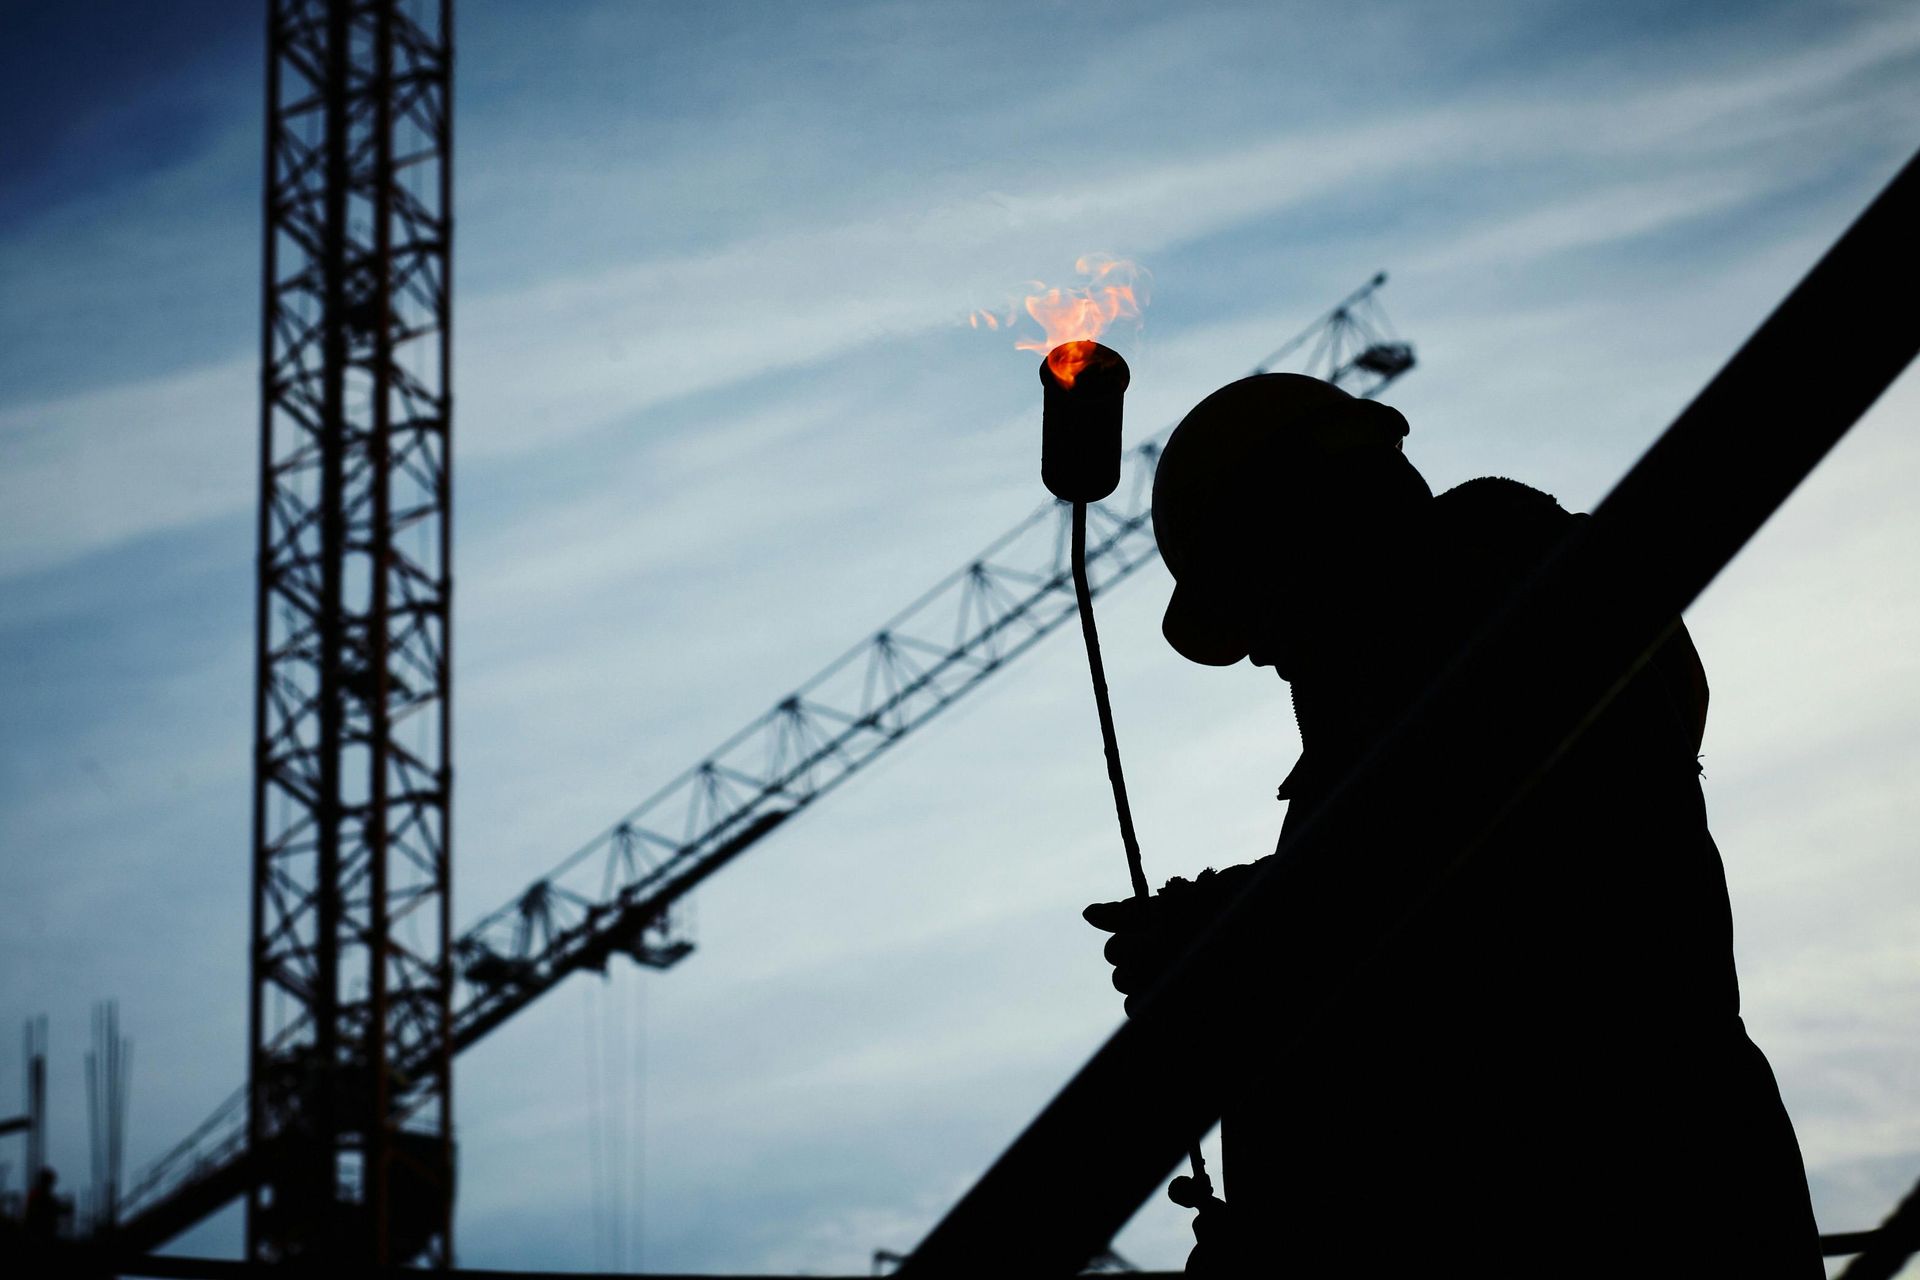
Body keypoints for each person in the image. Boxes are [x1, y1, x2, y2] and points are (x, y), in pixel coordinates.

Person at [1084, 373, 1820, 1276]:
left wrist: (1230, 942)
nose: (1263, 652)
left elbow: (1472, 932)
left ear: (1309, 523)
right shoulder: (1452, 693)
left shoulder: (1529, 628)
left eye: (1255, 598)